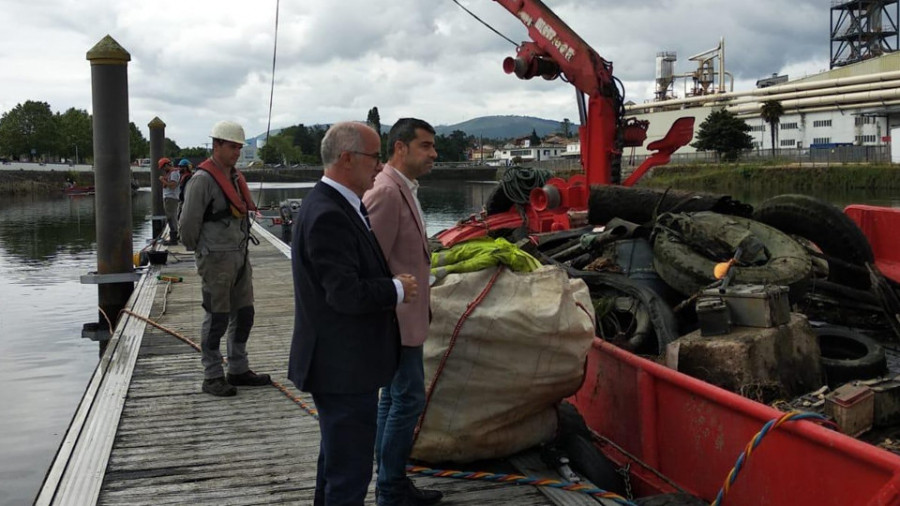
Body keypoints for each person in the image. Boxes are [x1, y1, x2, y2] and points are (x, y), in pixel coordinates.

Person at [288, 121, 418, 506]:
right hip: (342, 367)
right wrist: (397, 288)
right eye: (374, 158)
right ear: (347, 158)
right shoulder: (329, 213)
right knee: (350, 474)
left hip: (341, 364)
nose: (379, 167)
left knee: (335, 463)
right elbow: (343, 294)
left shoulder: (339, 204)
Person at [363, 118, 442, 506]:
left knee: (393, 399)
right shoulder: (387, 192)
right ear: (400, 147)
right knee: (408, 398)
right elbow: (370, 259)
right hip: (394, 319)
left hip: (405, 317)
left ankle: (389, 480)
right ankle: (390, 488)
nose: (434, 153)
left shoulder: (404, 188)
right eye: (425, 146)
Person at [179, 120, 271, 397]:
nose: (237, 153)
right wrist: (203, 252)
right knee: (216, 317)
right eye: (233, 147)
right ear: (216, 145)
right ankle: (212, 376)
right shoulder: (202, 180)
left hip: (239, 257)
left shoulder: (233, 177)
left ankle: (238, 369)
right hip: (216, 259)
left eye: (240, 148)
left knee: (244, 314)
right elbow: (187, 227)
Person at [158, 157, 181, 245]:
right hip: (169, 198)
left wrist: (163, 180)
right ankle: (173, 237)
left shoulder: (174, 173)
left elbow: (173, 186)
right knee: (170, 217)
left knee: (171, 218)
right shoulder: (170, 173)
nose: (163, 169)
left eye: (164, 167)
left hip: (171, 198)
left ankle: (173, 239)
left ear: (167, 165)